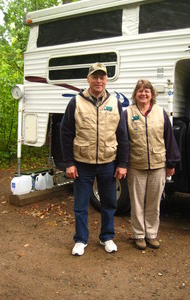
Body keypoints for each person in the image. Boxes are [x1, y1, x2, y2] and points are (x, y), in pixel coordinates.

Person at [60, 62, 129, 256]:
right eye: (95, 76)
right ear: (88, 79)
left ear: (107, 80)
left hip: (108, 162)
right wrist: (69, 163)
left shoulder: (115, 103)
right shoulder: (76, 102)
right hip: (82, 164)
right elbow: (65, 133)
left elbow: (122, 134)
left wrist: (122, 164)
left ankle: (106, 237)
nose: (99, 80)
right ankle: (80, 240)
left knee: (109, 203)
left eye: (102, 77)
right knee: (80, 205)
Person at [124, 79, 180, 250]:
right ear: (135, 94)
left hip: (158, 165)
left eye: (147, 91)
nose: (143, 93)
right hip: (136, 165)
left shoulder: (160, 112)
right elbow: (124, 141)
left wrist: (171, 163)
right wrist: (123, 164)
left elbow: (169, 139)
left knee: (153, 204)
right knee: (137, 203)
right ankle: (139, 236)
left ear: (152, 94)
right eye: (140, 91)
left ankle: (151, 234)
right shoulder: (127, 113)